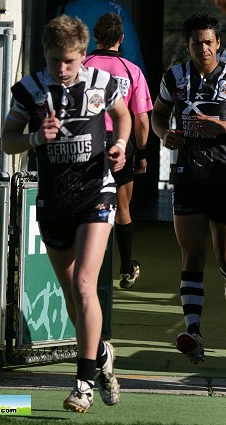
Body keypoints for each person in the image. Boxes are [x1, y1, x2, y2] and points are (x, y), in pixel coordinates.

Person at [2, 14, 132, 413]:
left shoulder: (101, 82)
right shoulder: (28, 90)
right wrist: (35, 138)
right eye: (56, 59)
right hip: (54, 200)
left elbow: (123, 115)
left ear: (83, 57)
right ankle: (102, 356)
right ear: (45, 54)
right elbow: (7, 142)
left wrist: (121, 144)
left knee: (84, 286)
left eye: (71, 61)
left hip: (97, 192)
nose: (63, 68)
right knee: (71, 291)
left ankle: (82, 383)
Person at [151, 12, 226, 365]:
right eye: (197, 43)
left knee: (225, 259)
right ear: (188, 46)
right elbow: (158, 114)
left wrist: (220, 125)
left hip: (224, 178)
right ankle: (193, 332)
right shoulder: (175, 76)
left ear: (218, 43)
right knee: (192, 255)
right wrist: (166, 134)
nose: (203, 49)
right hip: (187, 179)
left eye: (209, 42)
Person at [84, 13, 153, 290]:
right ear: (121, 39)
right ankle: (126, 268)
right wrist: (143, 152)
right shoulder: (131, 70)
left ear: (95, 37)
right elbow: (143, 120)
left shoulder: (83, 66)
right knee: (122, 208)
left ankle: (89, 266)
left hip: (88, 140)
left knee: (88, 207)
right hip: (119, 143)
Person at [57, 0, 147, 77]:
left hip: (71, 81)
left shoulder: (64, 9)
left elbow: (53, 49)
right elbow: (132, 54)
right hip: (108, 83)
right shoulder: (118, 10)